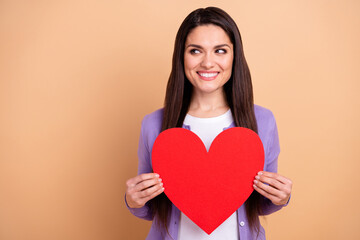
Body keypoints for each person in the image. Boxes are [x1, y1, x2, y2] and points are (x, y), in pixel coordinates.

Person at [125, 7, 292, 240]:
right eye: (195, 51)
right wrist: (134, 201)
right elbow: (152, 208)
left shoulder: (263, 122)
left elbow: (260, 205)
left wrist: (281, 198)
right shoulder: (154, 124)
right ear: (181, 56)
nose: (208, 62)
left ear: (234, 56)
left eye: (220, 51)